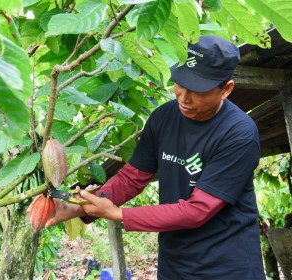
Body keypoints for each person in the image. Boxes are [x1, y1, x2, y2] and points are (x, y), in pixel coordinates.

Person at [46, 35, 266, 279]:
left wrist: (118, 214)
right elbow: (132, 178)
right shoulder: (163, 118)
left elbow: (198, 211)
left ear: (226, 89)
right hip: (175, 263)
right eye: (180, 84)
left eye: (197, 90)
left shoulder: (239, 133)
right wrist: (76, 207)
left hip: (227, 267)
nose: (183, 98)